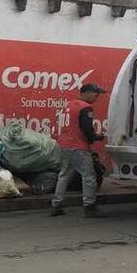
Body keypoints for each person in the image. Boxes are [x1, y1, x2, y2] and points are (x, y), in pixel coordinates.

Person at [50, 83, 108, 218]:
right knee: (88, 176)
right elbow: (87, 130)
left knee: (64, 174)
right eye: (95, 94)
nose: (97, 97)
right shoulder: (86, 108)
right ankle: (89, 206)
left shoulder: (68, 105)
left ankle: (56, 205)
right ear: (86, 92)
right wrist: (97, 137)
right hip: (78, 147)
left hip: (64, 145)